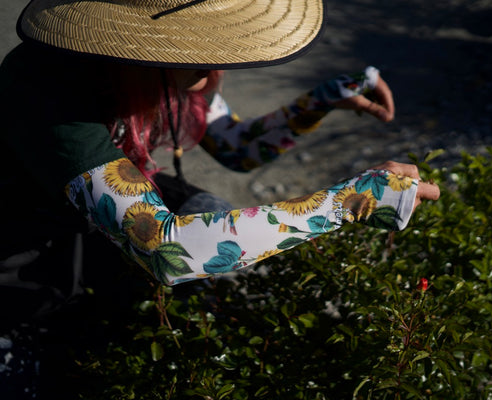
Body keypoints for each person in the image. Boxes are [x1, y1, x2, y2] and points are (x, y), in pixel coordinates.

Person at [0, 0, 440, 303]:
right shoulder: (48, 87)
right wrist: (350, 201)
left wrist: (320, 101)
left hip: (98, 220)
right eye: (201, 40)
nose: (217, 63)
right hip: (26, 250)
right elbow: (169, 250)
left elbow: (237, 149)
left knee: (211, 211)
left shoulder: (168, 67)